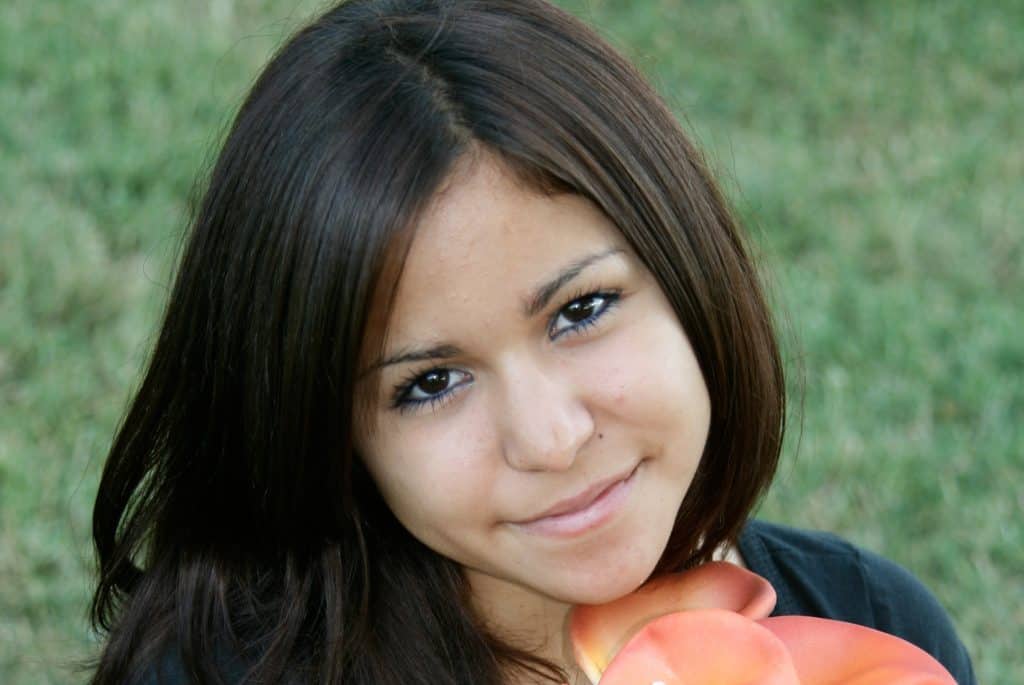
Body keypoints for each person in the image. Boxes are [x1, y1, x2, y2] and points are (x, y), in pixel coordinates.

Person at [86, 1, 977, 683]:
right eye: (431, 382)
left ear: (688, 269)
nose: (551, 439)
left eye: (581, 311)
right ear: (330, 431)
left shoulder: (880, 630)